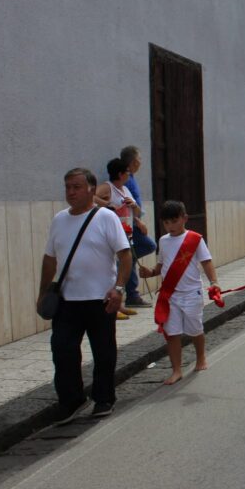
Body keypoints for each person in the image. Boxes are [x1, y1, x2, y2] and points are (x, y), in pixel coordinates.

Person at [38, 168, 131, 425]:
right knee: (62, 349)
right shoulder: (59, 220)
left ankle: (104, 398)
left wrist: (119, 289)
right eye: (67, 187)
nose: (70, 192)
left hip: (100, 299)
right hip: (68, 300)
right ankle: (71, 400)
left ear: (91, 189)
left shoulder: (105, 217)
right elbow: (49, 259)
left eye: (76, 187)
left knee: (103, 351)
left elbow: (125, 255)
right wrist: (43, 291)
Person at [138, 201, 218, 385]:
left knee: (195, 329)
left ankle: (201, 358)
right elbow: (161, 266)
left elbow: (206, 262)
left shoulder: (195, 239)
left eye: (174, 221)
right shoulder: (163, 241)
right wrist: (149, 272)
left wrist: (214, 282)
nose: (170, 226)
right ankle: (176, 370)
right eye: (166, 223)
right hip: (170, 295)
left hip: (191, 293)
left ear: (184, 219)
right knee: (171, 333)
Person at [95, 158, 141, 320]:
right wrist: (108, 205)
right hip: (111, 233)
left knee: (122, 266)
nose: (129, 175)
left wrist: (133, 205)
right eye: (127, 172)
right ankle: (112, 306)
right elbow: (92, 197)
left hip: (126, 232)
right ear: (121, 174)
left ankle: (119, 304)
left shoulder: (125, 190)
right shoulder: (107, 187)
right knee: (113, 268)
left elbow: (137, 211)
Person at [119, 146, 155, 309]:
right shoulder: (126, 179)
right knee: (148, 246)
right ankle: (131, 292)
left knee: (132, 257)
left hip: (134, 224)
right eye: (139, 160)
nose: (141, 163)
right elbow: (124, 202)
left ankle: (132, 294)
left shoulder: (131, 178)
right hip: (130, 226)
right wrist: (136, 221)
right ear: (134, 162)